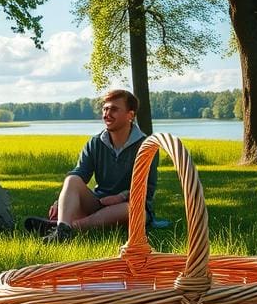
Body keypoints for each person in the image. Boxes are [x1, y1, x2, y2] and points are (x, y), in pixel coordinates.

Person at [25, 89, 158, 243]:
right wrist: (59, 201)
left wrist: (121, 196)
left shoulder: (146, 146)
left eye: (114, 109)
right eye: (105, 109)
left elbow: (147, 188)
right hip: (98, 203)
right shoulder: (95, 143)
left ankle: (67, 228)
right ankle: (62, 227)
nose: (107, 114)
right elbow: (80, 174)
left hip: (132, 206)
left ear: (130, 115)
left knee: (129, 209)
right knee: (72, 180)